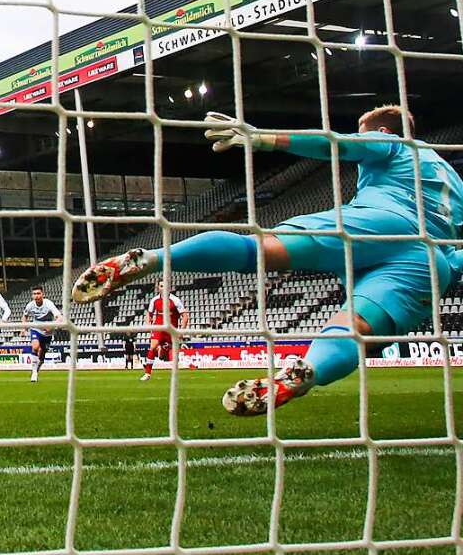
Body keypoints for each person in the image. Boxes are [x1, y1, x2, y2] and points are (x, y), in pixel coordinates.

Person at [73, 105, 463, 415]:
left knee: (259, 251)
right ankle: (305, 373)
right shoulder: (453, 180)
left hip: (382, 221)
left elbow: (338, 145)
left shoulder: (392, 145)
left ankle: (153, 259)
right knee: (353, 328)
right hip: (431, 262)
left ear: (380, 132)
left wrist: (264, 139)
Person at [139, 281, 189, 381]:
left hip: (171, 329)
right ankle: (147, 373)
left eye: (165, 286)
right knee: (152, 347)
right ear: (158, 288)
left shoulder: (175, 300)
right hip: (158, 327)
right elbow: (149, 314)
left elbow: (185, 316)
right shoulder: (154, 300)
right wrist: (149, 325)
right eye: (161, 286)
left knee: (167, 353)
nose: (163, 288)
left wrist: (182, 331)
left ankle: (163, 349)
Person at [21, 286, 62, 383]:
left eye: (38, 293)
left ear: (43, 294)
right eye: (34, 294)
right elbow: (24, 316)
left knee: (42, 355)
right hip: (36, 328)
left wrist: (51, 327)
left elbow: (60, 317)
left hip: (47, 332)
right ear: (32, 295)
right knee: (35, 347)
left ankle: (37, 368)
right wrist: (24, 327)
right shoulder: (30, 305)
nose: (36, 296)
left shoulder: (48, 304)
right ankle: (34, 372)